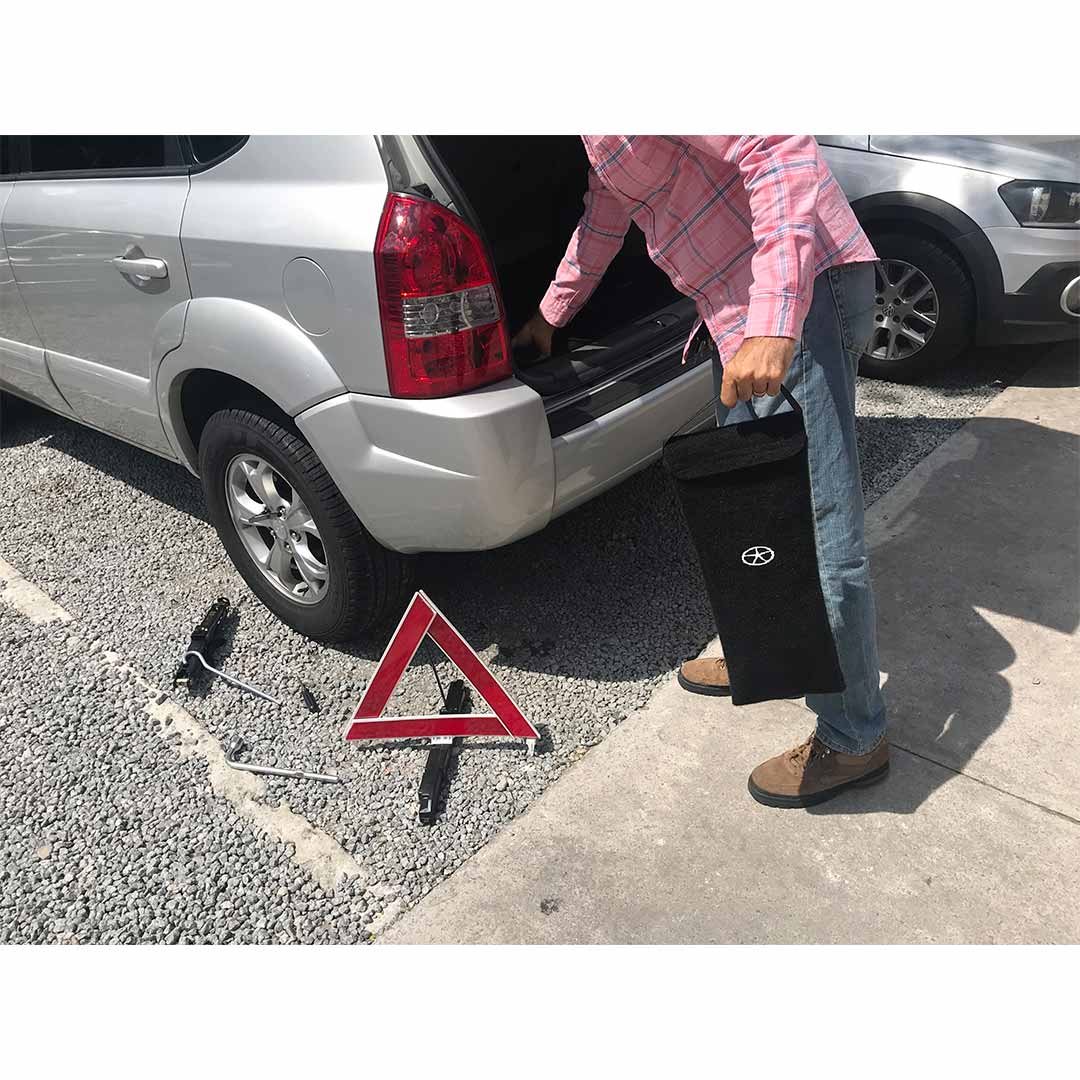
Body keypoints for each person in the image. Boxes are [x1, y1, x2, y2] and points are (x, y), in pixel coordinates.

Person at [512, 136, 888, 809]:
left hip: (798, 296)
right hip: (732, 310)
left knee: (816, 529)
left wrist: (775, 324)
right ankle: (765, 655)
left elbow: (780, 150)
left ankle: (854, 736)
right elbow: (604, 213)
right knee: (750, 510)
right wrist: (551, 313)